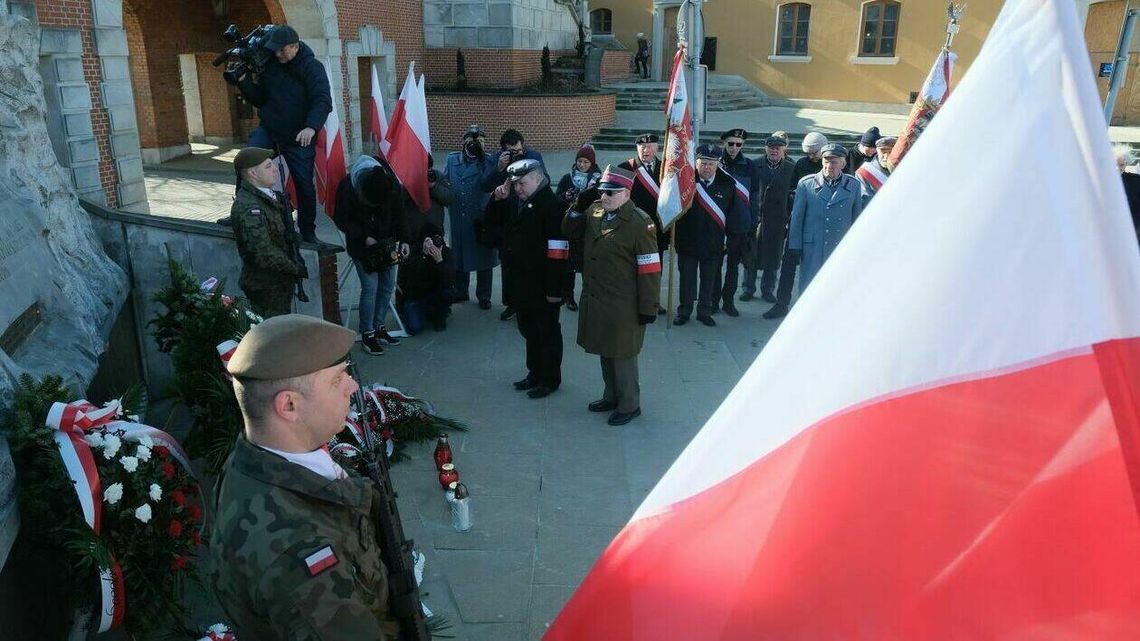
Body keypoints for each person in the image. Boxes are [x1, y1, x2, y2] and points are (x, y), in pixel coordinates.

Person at [211, 314, 397, 640]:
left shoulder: (258, 457)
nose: (352, 387)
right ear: (290, 405)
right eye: (338, 379)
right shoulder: (298, 558)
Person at [562, 166, 661, 426]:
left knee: (623, 355)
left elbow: (650, 268)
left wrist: (648, 306)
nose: (604, 197)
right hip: (597, 297)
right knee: (605, 350)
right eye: (602, 192)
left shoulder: (640, 223)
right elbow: (569, 231)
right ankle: (611, 395)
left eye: (611, 193)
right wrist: (575, 207)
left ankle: (629, 404)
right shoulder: (595, 210)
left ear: (626, 194)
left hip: (624, 303)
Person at [232, 25, 332, 243]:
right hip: (270, 128)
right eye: (274, 50)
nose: (277, 54)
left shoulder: (312, 67)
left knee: (304, 185)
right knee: (246, 161)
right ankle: (239, 212)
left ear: (295, 46)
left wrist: (311, 127)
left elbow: (322, 100)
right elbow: (260, 99)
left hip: (299, 136)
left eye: (282, 50)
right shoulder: (272, 65)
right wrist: (243, 83)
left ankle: (307, 231)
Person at [484, 159, 569, 398]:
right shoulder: (516, 202)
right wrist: (497, 199)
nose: (518, 188)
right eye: (515, 184)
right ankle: (534, 373)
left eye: (522, 183)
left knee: (547, 332)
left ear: (538, 178)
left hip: (542, 284)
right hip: (520, 283)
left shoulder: (553, 205)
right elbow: (491, 223)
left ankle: (550, 379)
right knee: (529, 330)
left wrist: (555, 289)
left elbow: (558, 251)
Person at [333, 154, 409, 355]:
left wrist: (405, 240)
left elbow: (400, 212)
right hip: (362, 246)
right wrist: (364, 236)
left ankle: (379, 327)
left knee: (387, 286)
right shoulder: (347, 186)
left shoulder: (389, 182)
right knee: (370, 288)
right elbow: (341, 218)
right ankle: (367, 333)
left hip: (387, 243)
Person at [674, 144, 747, 327]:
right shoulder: (686, 182)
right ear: (696, 163)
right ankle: (684, 311)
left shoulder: (728, 184)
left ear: (718, 165)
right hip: (687, 241)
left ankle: (705, 312)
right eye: (703, 163)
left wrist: (730, 239)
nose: (706, 168)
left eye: (711, 164)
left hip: (713, 243)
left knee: (709, 280)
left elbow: (732, 214)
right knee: (687, 280)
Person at [230, 147, 307, 318]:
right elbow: (262, 252)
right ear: (253, 173)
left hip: (278, 284)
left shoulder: (267, 197)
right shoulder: (249, 206)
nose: (275, 170)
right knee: (273, 338)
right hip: (265, 288)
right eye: (268, 166)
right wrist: (293, 267)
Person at [764, 131, 829, 320]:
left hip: (818, 227)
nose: (811, 157)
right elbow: (790, 193)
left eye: (814, 153)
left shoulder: (832, 165)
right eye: (808, 152)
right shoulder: (800, 164)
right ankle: (781, 303)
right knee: (788, 266)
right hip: (797, 223)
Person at [787, 143, 864, 294]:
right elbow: (797, 219)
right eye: (826, 161)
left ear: (843, 163)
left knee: (836, 288)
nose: (829, 166)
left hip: (839, 247)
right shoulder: (806, 184)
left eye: (834, 162)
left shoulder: (853, 185)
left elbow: (857, 220)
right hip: (813, 247)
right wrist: (795, 246)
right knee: (809, 287)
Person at [445, 125, 499, 310]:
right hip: (459, 216)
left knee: (484, 257)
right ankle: (461, 291)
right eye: (472, 141)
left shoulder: (490, 162)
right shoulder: (452, 160)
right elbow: (445, 181)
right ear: (464, 142)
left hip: (481, 217)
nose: (476, 145)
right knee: (460, 255)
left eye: (481, 142)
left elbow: (493, 182)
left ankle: (484, 295)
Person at [618, 133, 669, 313]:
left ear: (657, 149)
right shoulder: (625, 168)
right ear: (637, 148)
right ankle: (631, 301)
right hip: (632, 228)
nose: (646, 151)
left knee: (654, 269)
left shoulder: (666, 169)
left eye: (650, 147)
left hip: (657, 231)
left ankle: (652, 301)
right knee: (631, 268)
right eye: (642, 147)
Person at [717, 128, 760, 316]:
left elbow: (755, 197)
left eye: (738, 144)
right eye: (731, 143)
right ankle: (712, 301)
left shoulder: (750, 166)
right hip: (716, 224)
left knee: (733, 267)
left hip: (738, 225)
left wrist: (752, 225)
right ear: (724, 143)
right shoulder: (715, 163)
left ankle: (728, 302)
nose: (734, 148)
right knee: (714, 267)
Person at [554, 144, 602, 311]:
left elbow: (602, 202)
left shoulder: (598, 180)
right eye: (580, 161)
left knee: (588, 265)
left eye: (586, 162)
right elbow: (556, 201)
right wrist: (565, 196)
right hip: (571, 228)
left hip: (589, 228)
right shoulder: (567, 178)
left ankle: (588, 296)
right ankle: (569, 296)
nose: (582, 165)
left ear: (592, 164)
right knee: (569, 266)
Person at [749, 135, 796, 303]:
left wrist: (788, 219)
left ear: (784, 150)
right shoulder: (754, 165)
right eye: (771, 147)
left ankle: (767, 290)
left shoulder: (791, 168)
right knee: (751, 255)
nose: (774, 150)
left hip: (777, 220)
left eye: (778, 148)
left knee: (773, 257)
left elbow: (793, 197)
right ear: (765, 148)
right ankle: (748, 288)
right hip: (757, 217)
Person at [397, 223, 454, 333]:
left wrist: (440, 262)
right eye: (429, 240)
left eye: (436, 238)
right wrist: (423, 256)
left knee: (447, 292)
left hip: (437, 293)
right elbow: (411, 280)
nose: (433, 243)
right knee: (414, 328)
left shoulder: (446, 252)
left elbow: (449, 280)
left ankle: (439, 314)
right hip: (417, 294)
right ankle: (420, 311)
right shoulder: (414, 251)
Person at [480, 128, 546, 193]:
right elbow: (485, 187)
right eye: (513, 152)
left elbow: (545, 180)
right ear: (504, 151)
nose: (517, 154)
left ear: (522, 146)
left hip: (527, 199)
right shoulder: (495, 159)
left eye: (519, 150)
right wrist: (498, 169)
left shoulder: (533, 156)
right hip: (505, 199)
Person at [855, 135, 897, 207]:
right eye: (883, 151)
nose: (886, 156)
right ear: (877, 151)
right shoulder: (865, 173)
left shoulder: (905, 168)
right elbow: (865, 204)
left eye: (890, 151)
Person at [1116, 144, 1140, 243]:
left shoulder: (1136, 181)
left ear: (1126, 164)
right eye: (1115, 164)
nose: (1118, 168)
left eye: (1121, 164)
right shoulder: (1102, 181)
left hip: (1131, 227)